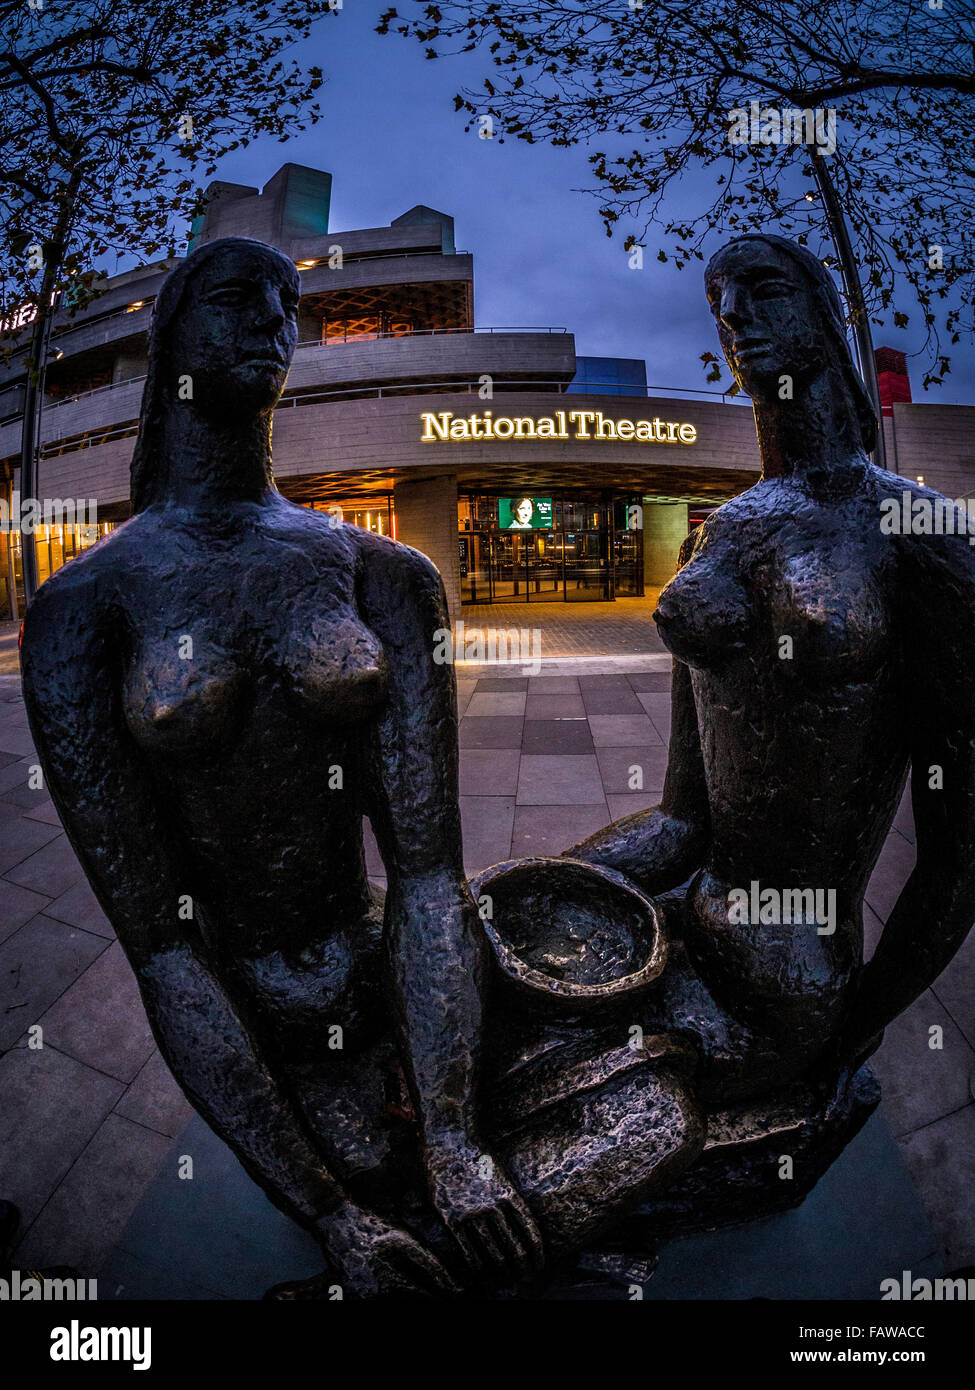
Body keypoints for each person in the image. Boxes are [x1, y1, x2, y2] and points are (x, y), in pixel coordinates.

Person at [21, 237, 701, 1299]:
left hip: (399, 962)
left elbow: (430, 873)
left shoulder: (385, 574)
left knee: (655, 1106)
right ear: (170, 344)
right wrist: (329, 1213)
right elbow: (161, 948)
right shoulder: (87, 606)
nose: (274, 322)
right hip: (253, 1019)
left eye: (288, 304)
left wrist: (453, 1134)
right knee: (394, 1204)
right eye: (240, 300)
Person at [569, 234, 975, 1100]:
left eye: (762, 290)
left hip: (785, 968)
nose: (735, 316)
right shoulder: (725, 531)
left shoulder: (916, 531)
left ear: (825, 318)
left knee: (568, 1084)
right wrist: (551, 881)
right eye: (721, 302)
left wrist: (854, 1029)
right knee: (472, 973)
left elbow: (959, 855)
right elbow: (681, 817)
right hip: (688, 899)